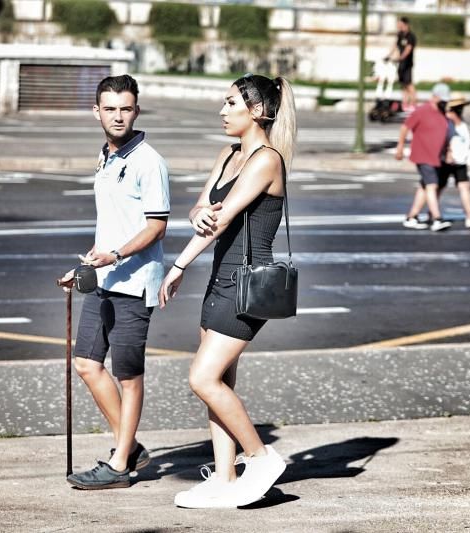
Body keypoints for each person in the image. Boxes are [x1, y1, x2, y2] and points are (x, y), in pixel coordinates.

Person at [157, 73, 297, 509]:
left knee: (202, 377)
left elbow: (221, 221)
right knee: (219, 379)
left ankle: (261, 457)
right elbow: (205, 208)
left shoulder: (266, 160)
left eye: (231, 102)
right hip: (221, 279)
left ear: (257, 111)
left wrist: (177, 264)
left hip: (247, 285)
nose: (222, 110)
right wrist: (197, 211)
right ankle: (224, 476)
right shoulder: (228, 154)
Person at [58, 74, 170, 490]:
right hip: (103, 277)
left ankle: (120, 463)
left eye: (126, 108)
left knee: (128, 375)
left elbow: (157, 227)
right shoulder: (105, 156)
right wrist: (87, 265)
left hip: (133, 282)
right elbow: (111, 225)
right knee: (87, 364)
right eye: (110, 109)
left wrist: (117, 255)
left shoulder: (148, 161)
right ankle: (131, 447)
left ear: (136, 110)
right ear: (97, 112)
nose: (118, 116)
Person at [395, 82, 452, 232]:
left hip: (435, 156)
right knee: (432, 186)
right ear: (434, 97)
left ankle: (411, 217)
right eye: (442, 99)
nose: (444, 102)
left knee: (424, 187)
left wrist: (447, 151)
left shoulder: (442, 113)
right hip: (423, 154)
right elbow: (405, 127)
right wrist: (400, 147)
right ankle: (437, 218)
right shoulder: (422, 111)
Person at [439, 92, 470, 229]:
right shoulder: (449, 118)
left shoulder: (459, 118)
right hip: (450, 159)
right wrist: (448, 152)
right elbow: (445, 137)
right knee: (439, 187)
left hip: (460, 160)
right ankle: (433, 214)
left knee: (464, 186)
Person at [386, 17, 417, 111]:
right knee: (402, 84)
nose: (398, 25)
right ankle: (405, 104)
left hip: (407, 63)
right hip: (401, 64)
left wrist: (400, 58)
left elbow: (408, 49)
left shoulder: (411, 36)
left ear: (405, 24)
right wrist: (388, 56)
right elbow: (395, 45)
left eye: (400, 24)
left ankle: (413, 104)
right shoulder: (400, 34)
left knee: (409, 84)